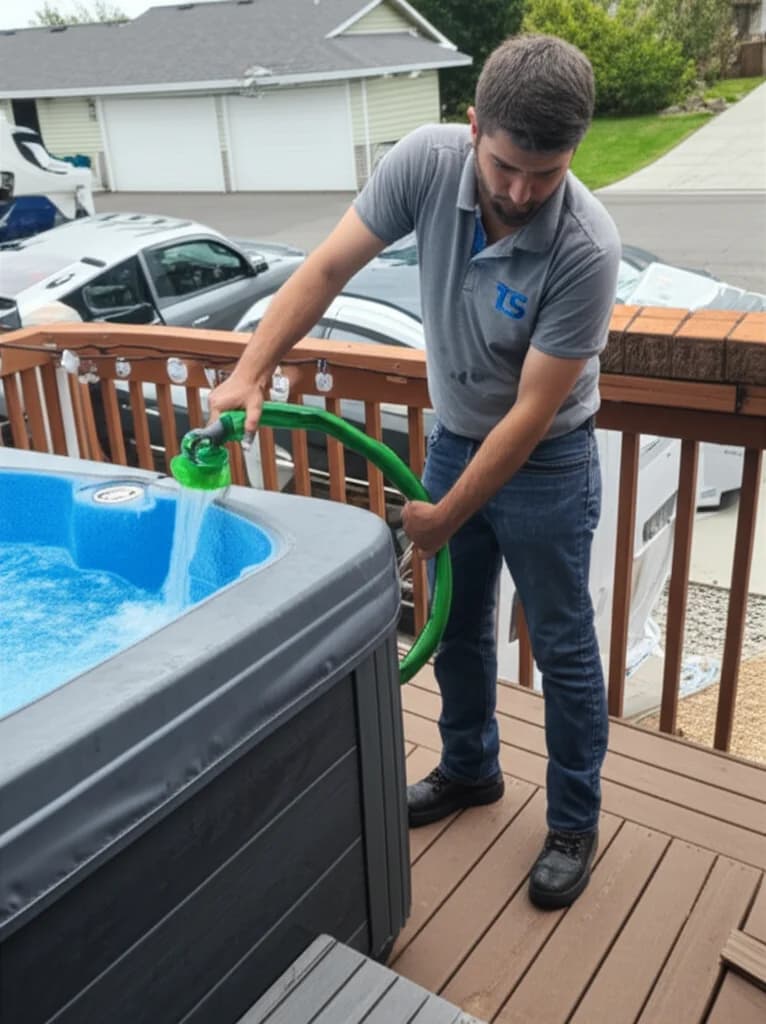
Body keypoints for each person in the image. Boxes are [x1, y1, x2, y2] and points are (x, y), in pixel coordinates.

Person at [209, 34, 621, 910]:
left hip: (546, 463)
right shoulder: (426, 164)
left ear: (573, 155)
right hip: (455, 440)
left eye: (544, 175)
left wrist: (441, 515)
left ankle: (574, 821)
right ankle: (470, 770)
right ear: (472, 127)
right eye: (505, 165)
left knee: (563, 646)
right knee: (458, 626)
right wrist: (252, 369)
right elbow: (324, 268)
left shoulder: (586, 246)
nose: (519, 192)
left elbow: (532, 415)